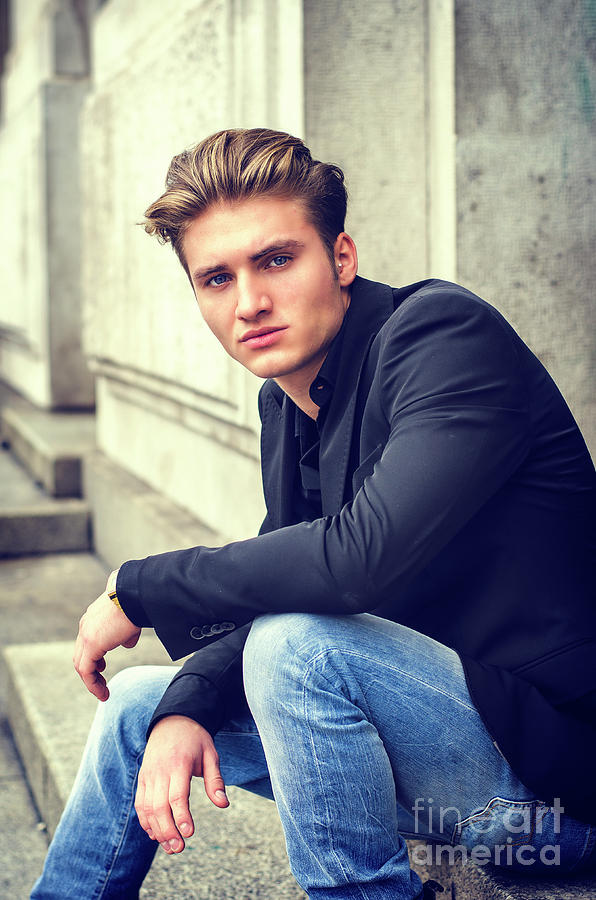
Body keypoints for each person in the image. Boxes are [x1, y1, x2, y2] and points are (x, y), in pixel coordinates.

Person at [32, 128, 596, 900]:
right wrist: (187, 703)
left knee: (297, 648)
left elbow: (355, 561)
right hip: (438, 766)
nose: (250, 302)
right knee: (140, 705)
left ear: (341, 258)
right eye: (216, 279)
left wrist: (139, 587)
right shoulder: (287, 403)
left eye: (276, 259)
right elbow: (282, 572)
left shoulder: (445, 339)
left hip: (555, 782)